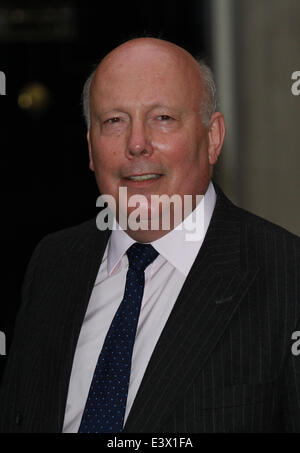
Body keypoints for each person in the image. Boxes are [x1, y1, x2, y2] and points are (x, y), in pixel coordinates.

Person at [0, 37, 299, 433]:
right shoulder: (52, 263)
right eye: (114, 121)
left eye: (162, 118)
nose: (136, 144)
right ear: (90, 148)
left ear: (212, 137)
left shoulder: (287, 277)